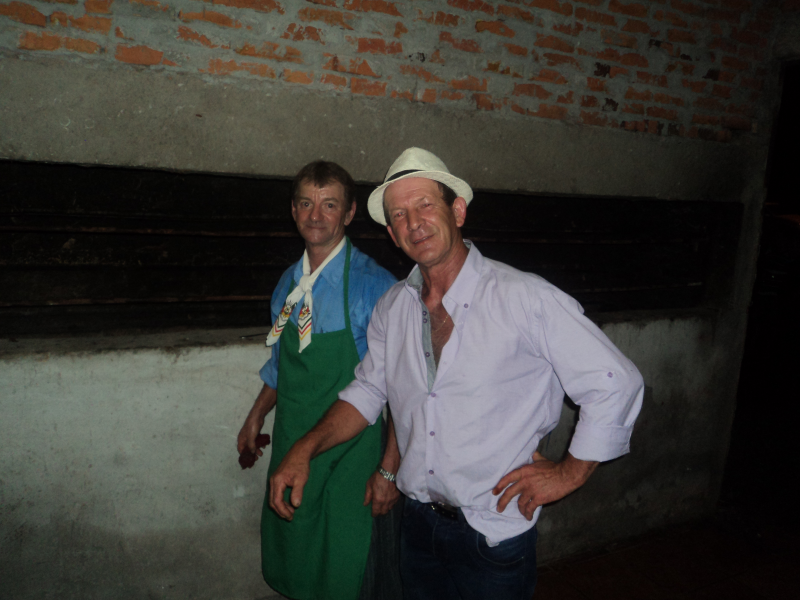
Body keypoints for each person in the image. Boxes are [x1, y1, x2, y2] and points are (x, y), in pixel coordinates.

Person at [267, 148, 645, 600]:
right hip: (417, 524)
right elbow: (367, 391)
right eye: (399, 214)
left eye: (425, 205)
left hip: (492, 533)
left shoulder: (523, 297)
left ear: (458, 211)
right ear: (392, 233)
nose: (414, 223)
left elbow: (615, 382)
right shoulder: (393, 308)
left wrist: (568, 474)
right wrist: (304, 449)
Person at [237, 160, 401, 600]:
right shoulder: (287, 286)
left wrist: (390, 469)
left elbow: (401, 391)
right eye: (306, 204)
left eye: (329, 205)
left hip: (352, 456)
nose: (316, 215)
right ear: (293, 210)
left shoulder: (375, 287)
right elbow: (282, 365)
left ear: (349, 214)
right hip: (293, 441)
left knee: (347, 569)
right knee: (300, 564)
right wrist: (256, 416)